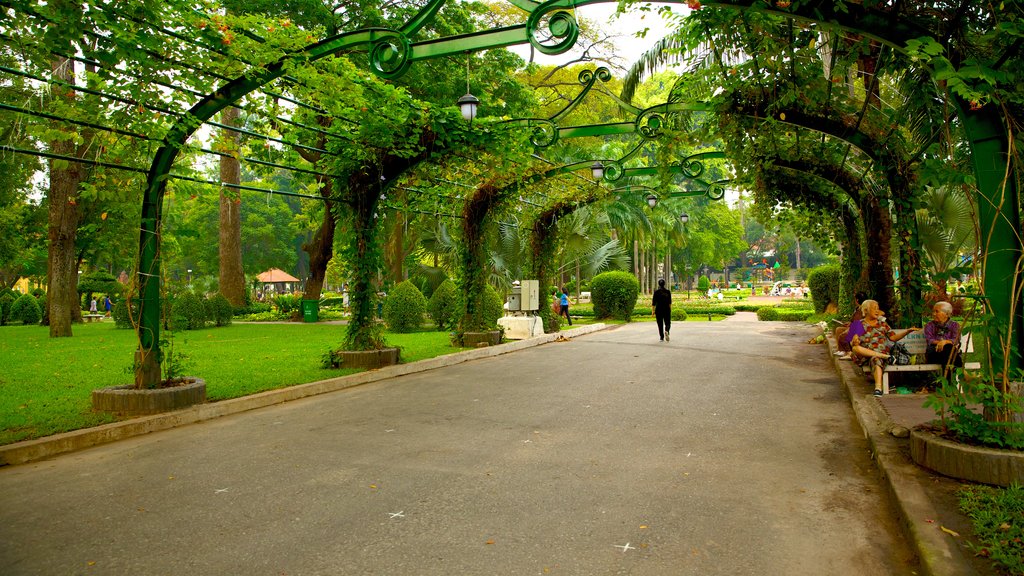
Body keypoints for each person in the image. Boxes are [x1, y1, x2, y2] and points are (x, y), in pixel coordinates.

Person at [850, 299, 919, 396]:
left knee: (876, 359)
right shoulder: (857, 324)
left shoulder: (883, 324)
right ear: (866, 311)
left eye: (878, 309)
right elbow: (852, 343)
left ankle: (878, 388)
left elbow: (893, 337)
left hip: (878, 355)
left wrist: (907, 331)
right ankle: (885, 357)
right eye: (874, 309)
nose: (877, 311)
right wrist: (854, 341)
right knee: (855, 348)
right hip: (864, 355)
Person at [923, 301, 963, 377]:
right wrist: (941, 343)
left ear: (947, 314)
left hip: (948, 354)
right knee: (948, 350)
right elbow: (929, 340)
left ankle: (945, 385)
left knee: (947, 350)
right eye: (933, 311)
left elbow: (956, 339)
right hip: (934, 354)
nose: (933, 314)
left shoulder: (955, 325)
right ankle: (963, 373)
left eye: (937, 311)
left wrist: (944, 342)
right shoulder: (929, 326)